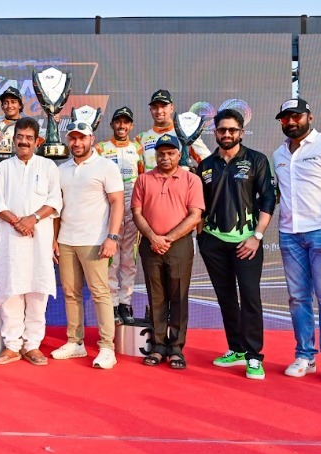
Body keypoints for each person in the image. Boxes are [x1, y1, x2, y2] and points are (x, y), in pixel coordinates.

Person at [197, 109, 276, 380]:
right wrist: (202, 238)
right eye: (222, 130)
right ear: (215, 132)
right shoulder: (206, 165)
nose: (227, 134)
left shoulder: (256, 160)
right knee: (226, 297)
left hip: (247, 242)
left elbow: (268, 199)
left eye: (232, 130)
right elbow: (199, 206)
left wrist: (256, 237)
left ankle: (254, 356)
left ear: (241, 132)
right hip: (213, 242)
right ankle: (237, 348)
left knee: (250, 297)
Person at [0, 117, 62, 366]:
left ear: (37, 141)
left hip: (39, 241)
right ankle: (12, 346)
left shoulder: (48, 167)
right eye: (20, 137)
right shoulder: (3, 168)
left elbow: (55, 201)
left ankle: (32, 345)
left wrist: (32, 219)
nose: (23, 142)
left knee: (37, 291)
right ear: (14, 139)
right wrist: (16, 221)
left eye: (29, 138)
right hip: (11, 240)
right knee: (10, 290)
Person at [52, 118, 125, 369]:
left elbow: (117, 203)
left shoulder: (106, 166)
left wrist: (112, 237)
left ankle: (107, 348)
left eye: (82, 138)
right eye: (73, 138)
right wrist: (54, 239)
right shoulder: (61, 170)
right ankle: (75, 343)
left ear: (91, 139)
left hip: (95, 241)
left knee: (100, 293)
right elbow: (57, 209)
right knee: (70, 293)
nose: (77, 142)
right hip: (66, 241)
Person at [132, 134, 204, 370]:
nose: (165, 157)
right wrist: (153, 237)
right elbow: (137, 213)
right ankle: (158, 346)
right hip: (150, 244)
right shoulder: (143, 179)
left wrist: (168, 238)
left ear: (179, 154)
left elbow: (195, 215)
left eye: (171, 153)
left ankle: (176, 348)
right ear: (155, 155)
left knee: (178, 296)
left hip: (179, 245)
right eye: (161, 153)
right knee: (156, 296)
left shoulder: (191, 179)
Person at [272, 98, 321, 375]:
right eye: (286, 118)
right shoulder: (278, 154)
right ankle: (305, 355)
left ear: (309, 117)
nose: (291, 121)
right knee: (297, 298)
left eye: (296, 116)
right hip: (289, 234)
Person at [94, 107, 144, 325]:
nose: (122, 126)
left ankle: (126, 302)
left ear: (131, 126)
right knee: (111, 258)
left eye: (126, 122)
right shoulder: (101, 148)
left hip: (132, 204)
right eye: (118, 122)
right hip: (110, 204)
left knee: (129, 258)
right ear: (112, 124)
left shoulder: (137, 147)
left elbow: (143, 177)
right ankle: (113, 303)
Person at [136, 89, 211, 172]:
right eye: (155, 107)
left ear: (171, 108)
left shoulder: (185, 132)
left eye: (163, 106)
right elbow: (139, 172)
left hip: (179, 180)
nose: (159, 111)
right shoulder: (141, 138)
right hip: (151, 180)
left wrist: (195, 175)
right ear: (150, 110)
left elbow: (209, 161)